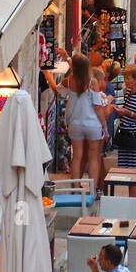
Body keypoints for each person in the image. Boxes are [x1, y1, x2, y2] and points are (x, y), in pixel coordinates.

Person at [44, 53, 107, 188]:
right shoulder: (93, 82)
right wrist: (105, 127)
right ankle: (92, 189)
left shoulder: (69, 81)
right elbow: (98, 107)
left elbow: (57, 91)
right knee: (93, 157)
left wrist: (48, 76)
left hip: (75, 123)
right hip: (92, 124)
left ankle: (75, 188)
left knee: (76, 156)